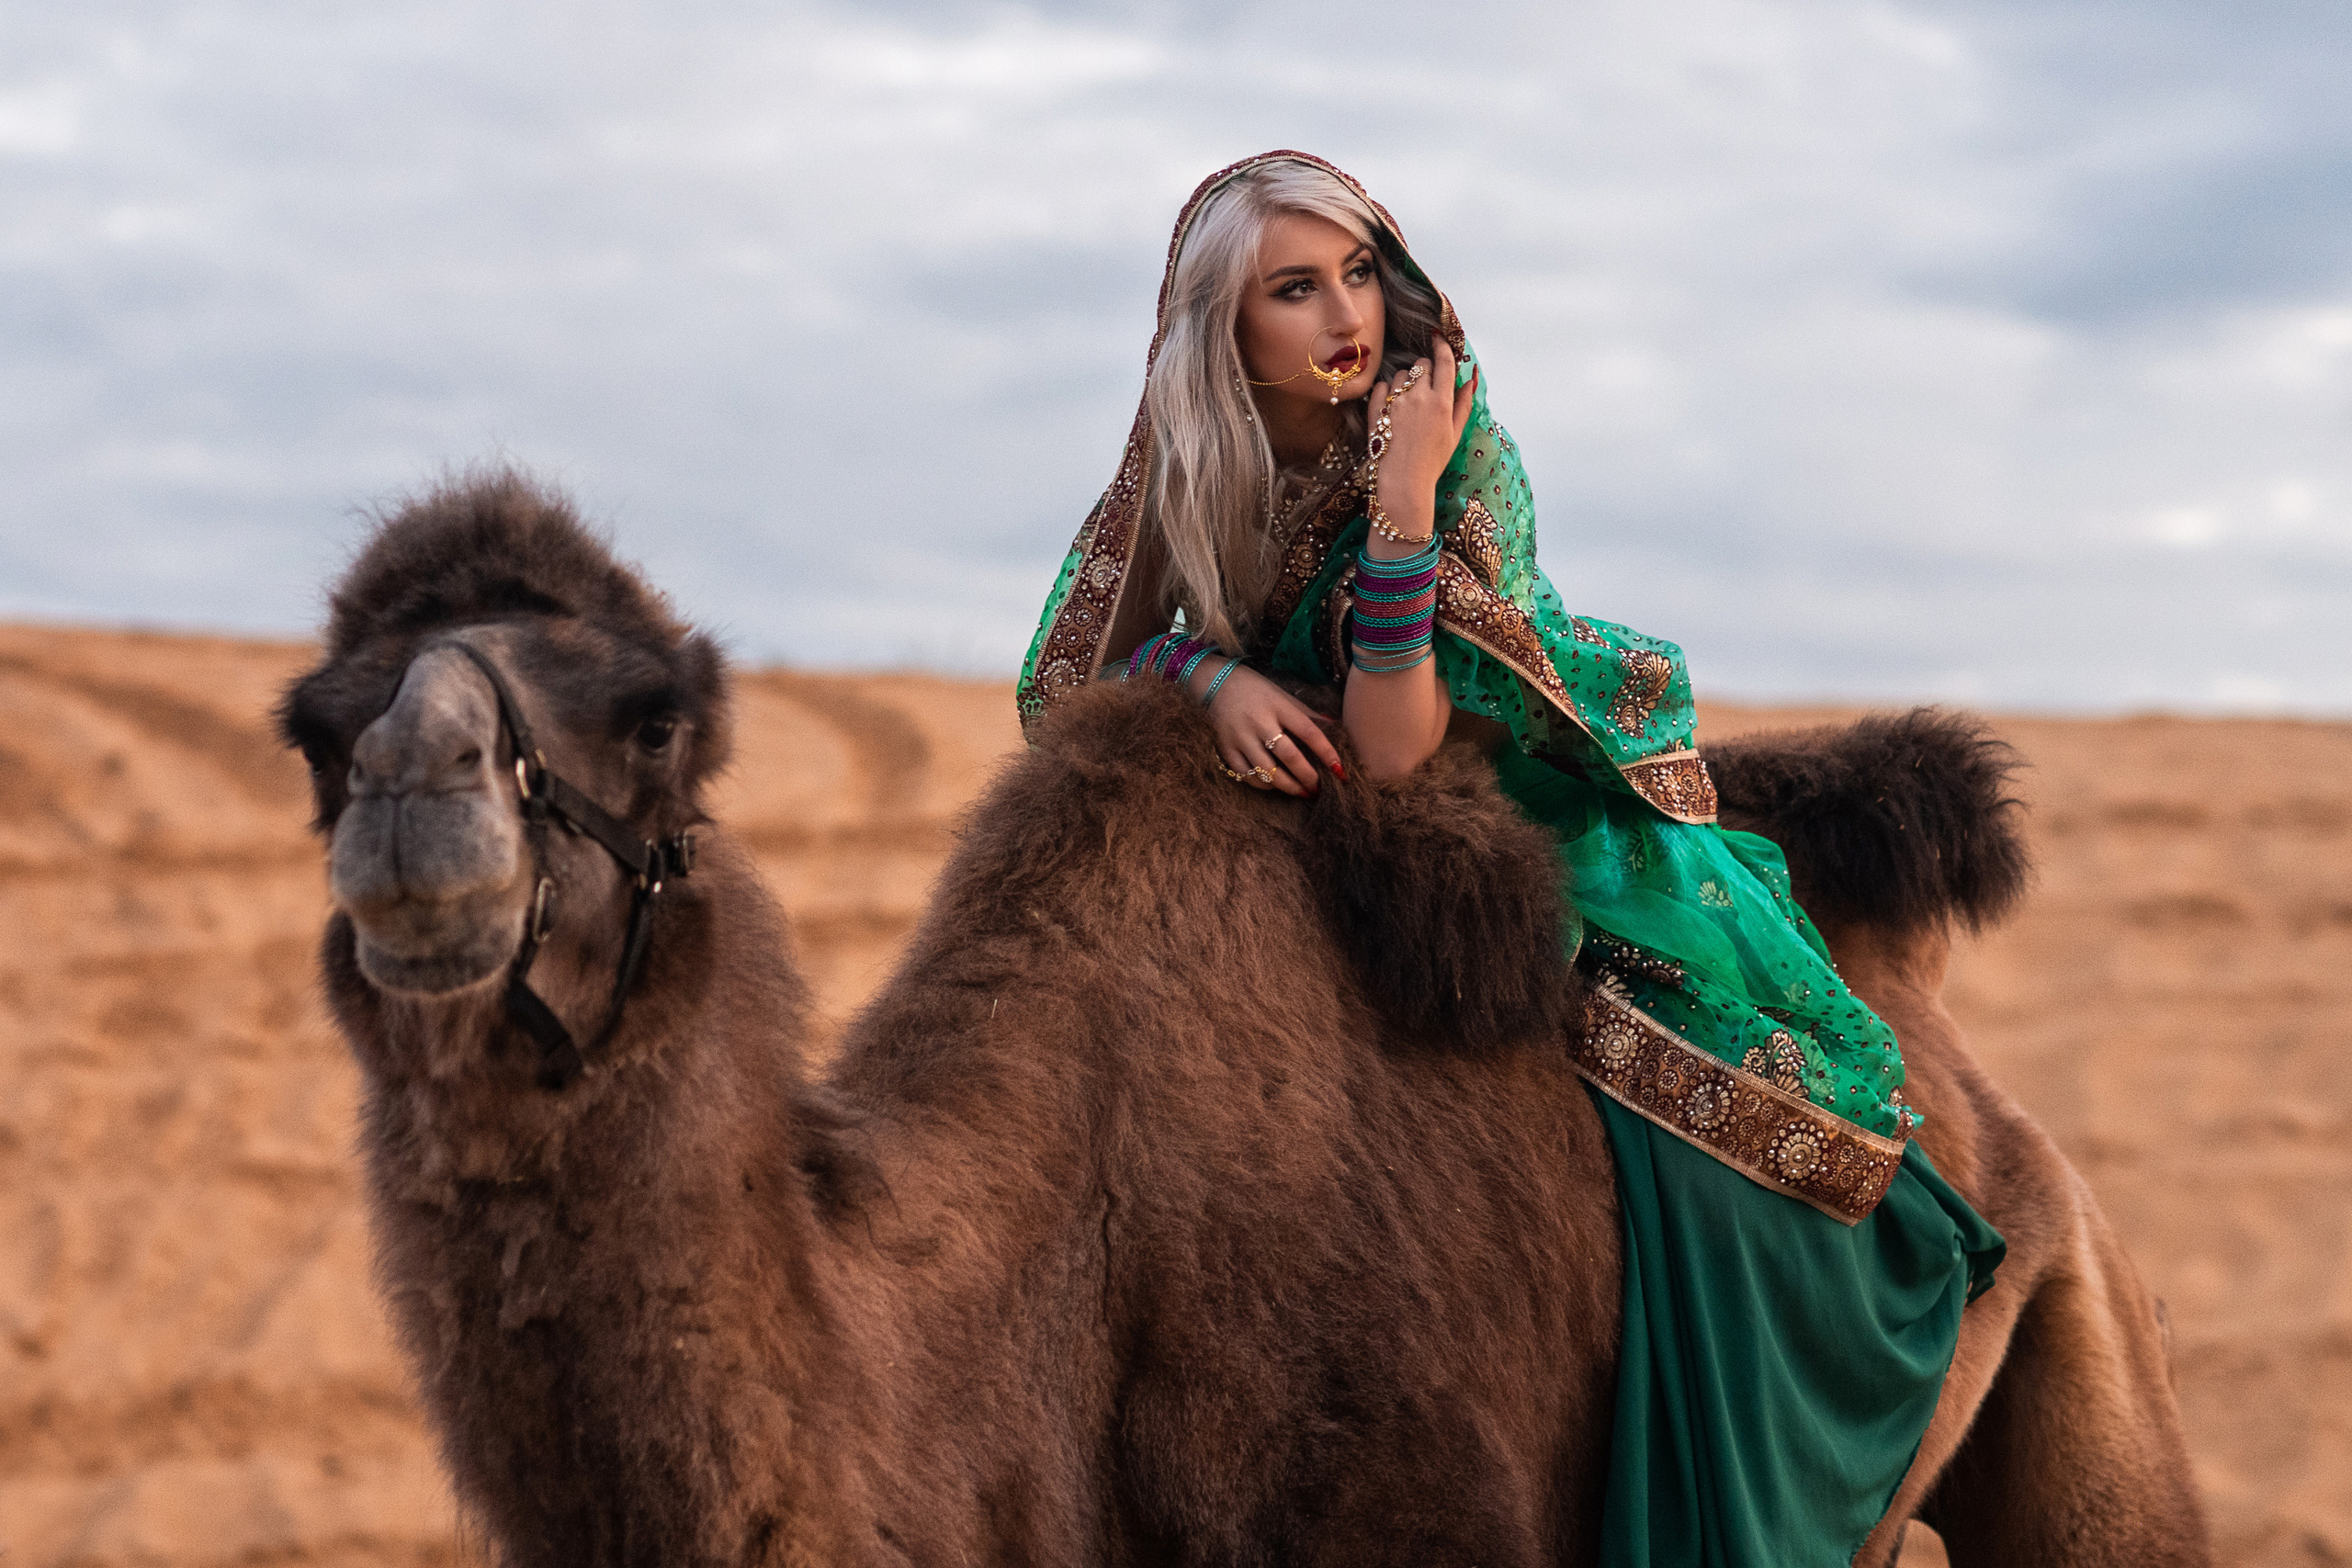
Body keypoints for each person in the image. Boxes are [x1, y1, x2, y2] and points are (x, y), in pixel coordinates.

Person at [1017, 151, 2003, 1565]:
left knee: (1682, 1080)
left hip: (1495, 812)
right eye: (1294, 289)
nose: (1345, 312)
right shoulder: (1187, 460)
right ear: (1220, 330)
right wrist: (1197, 673)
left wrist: (1406, 503)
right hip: (1278, 855)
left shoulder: (1449, 432)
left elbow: (1399, 744)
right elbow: (1059, 690)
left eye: (1359, 271)